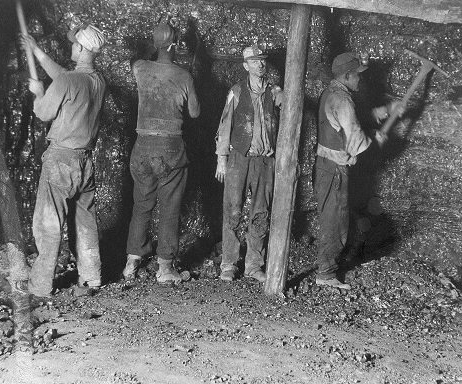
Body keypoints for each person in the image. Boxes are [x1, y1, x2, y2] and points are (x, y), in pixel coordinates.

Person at [19, 23, 107, 297]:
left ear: (80, 47)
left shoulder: (69, 82)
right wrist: (37, 51)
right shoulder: (98, 81)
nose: (71, 47)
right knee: (85, 223)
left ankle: (41, 285)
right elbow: (65, 78)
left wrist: (38, 92)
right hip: (86, 164)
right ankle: (92, 278)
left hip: (60, 161)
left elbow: (44, 113)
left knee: (48, 223)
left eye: (73, 44)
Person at [314, 52, 402, 289]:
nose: (360, 80)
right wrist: (377, 139)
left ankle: (326, 268)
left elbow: (354, 119)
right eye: (358, 76)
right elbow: (356, 140)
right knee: (336, 221)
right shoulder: (344, 101)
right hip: (335, 170)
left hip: (325, 166)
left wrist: (385, 110)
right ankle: (326, 274)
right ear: (347, 75)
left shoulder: (331, 93)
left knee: (332, 216)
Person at [122, 23, 200, 284]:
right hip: (170, 150)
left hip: (142, 146)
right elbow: (195, 113)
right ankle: (165, 267)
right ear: (174, 45)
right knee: (169, 207)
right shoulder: (184, 76)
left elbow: (134, 61)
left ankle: (132, 261)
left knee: (141, 204)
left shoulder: (140, 68)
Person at [214, 44, 283, 283]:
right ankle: (229, 264)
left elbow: (289, 120)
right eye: (254, 61)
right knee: (233, 210)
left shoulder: (274, 93)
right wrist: (221, 159)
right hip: (239, 158)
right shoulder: (237, 91)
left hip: (265, 160)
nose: (260, 64)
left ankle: (254, 265)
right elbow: (225, 125)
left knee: (261, 213)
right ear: (246, 66)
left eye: (262, 60)